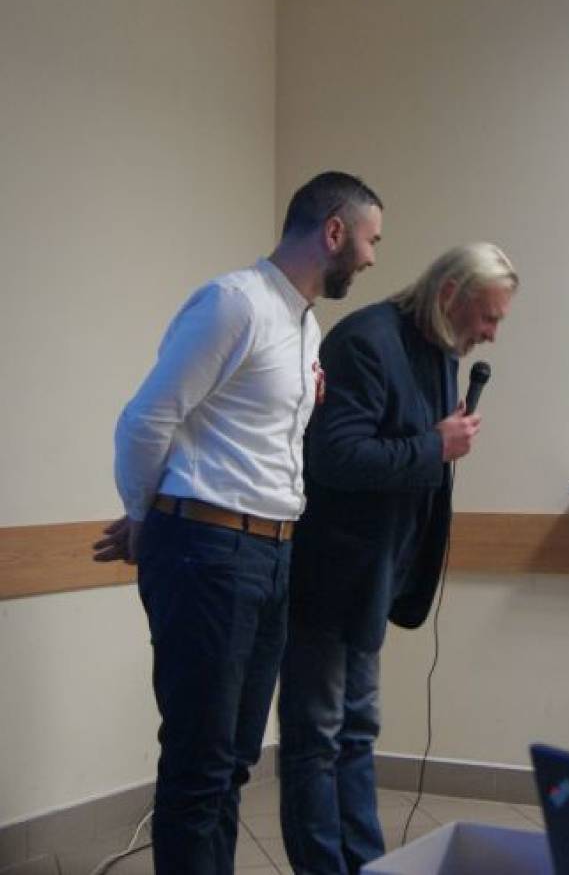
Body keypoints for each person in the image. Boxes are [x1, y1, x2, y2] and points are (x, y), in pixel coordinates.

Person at [93, 172, 383, 875]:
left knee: (233, 762)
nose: (373, 258)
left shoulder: (305, 324)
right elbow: (144, 421)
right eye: (370, 240)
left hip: (271, 552)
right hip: (209, 550)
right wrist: (146, 517)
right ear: (334, 232)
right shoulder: (235, 303)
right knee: (200, 765)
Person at [278, 242, 518, 875]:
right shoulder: (366, 341)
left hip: (374, 581)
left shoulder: (437, 349)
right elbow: (335, 457)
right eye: (488, 317)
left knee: (357, 733)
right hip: (330, 579)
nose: (491, 335)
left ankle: (367, 865)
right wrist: (433, 446)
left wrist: (432, 446)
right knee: (318, 741)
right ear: (450, 295)